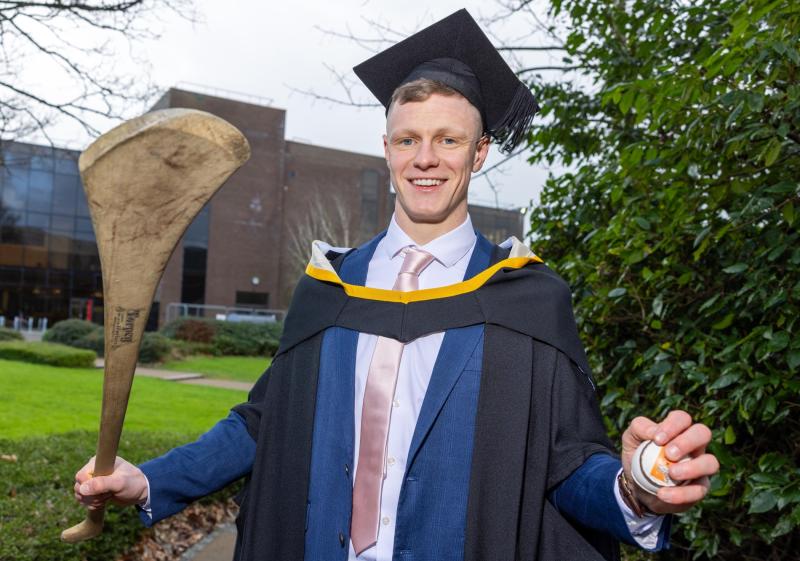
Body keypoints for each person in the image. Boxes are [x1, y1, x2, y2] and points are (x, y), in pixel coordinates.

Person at [74, 9, 719, 561]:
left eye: (448, 139)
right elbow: (262, 424)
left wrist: (636, 484)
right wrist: (149, 481)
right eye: (408, 139)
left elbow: (565, 463)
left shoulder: (528, 297)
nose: (426, 158)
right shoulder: (329, 289)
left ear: (480, 151)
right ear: (386, 148)